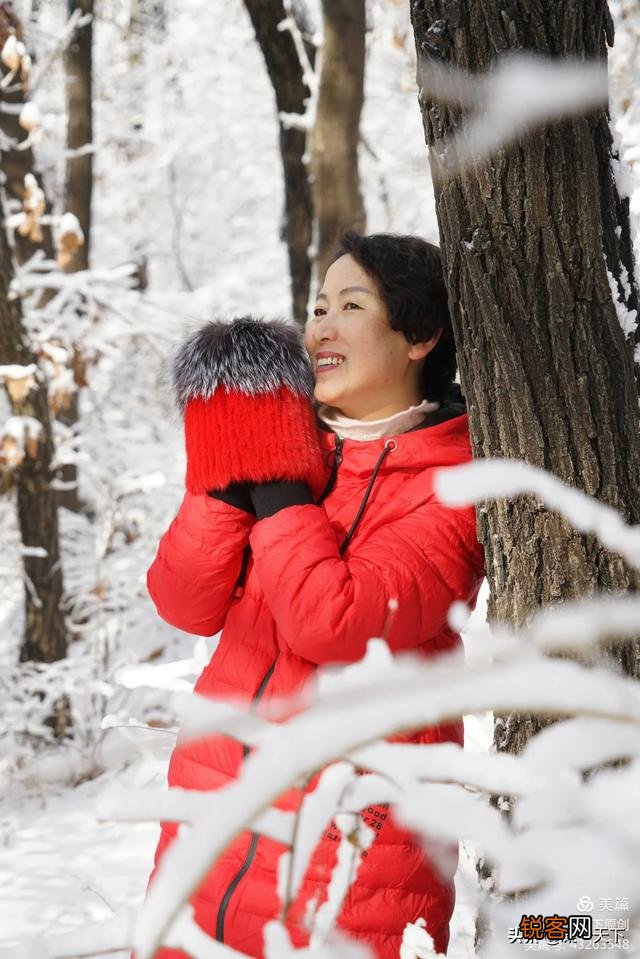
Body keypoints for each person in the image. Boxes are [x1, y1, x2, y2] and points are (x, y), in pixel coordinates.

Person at [143, 231, 486, 959]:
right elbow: (183, 601)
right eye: (318, 305)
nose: (320, 327)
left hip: (351, 861)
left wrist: (279, 492)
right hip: (211, 827)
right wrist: (225, 480)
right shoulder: (291, 450)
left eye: (351, 305)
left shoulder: (456, 486)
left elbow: (333, 621)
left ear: (420, 335)